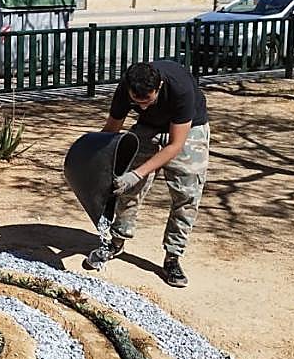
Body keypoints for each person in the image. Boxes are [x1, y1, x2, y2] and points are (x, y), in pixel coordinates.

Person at [84, 60, 210, 288]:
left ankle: (173, 257)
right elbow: (112, 129)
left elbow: (175, 145)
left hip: (188, 129)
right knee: (126, 189)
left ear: (159, 87)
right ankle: (116, 241)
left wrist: (137, 173)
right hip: (149, 127)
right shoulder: (126, 88)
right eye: (136, 102)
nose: (140, 106)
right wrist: (95, 160)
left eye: (147, 101)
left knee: (187, 194)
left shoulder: (180, 88)